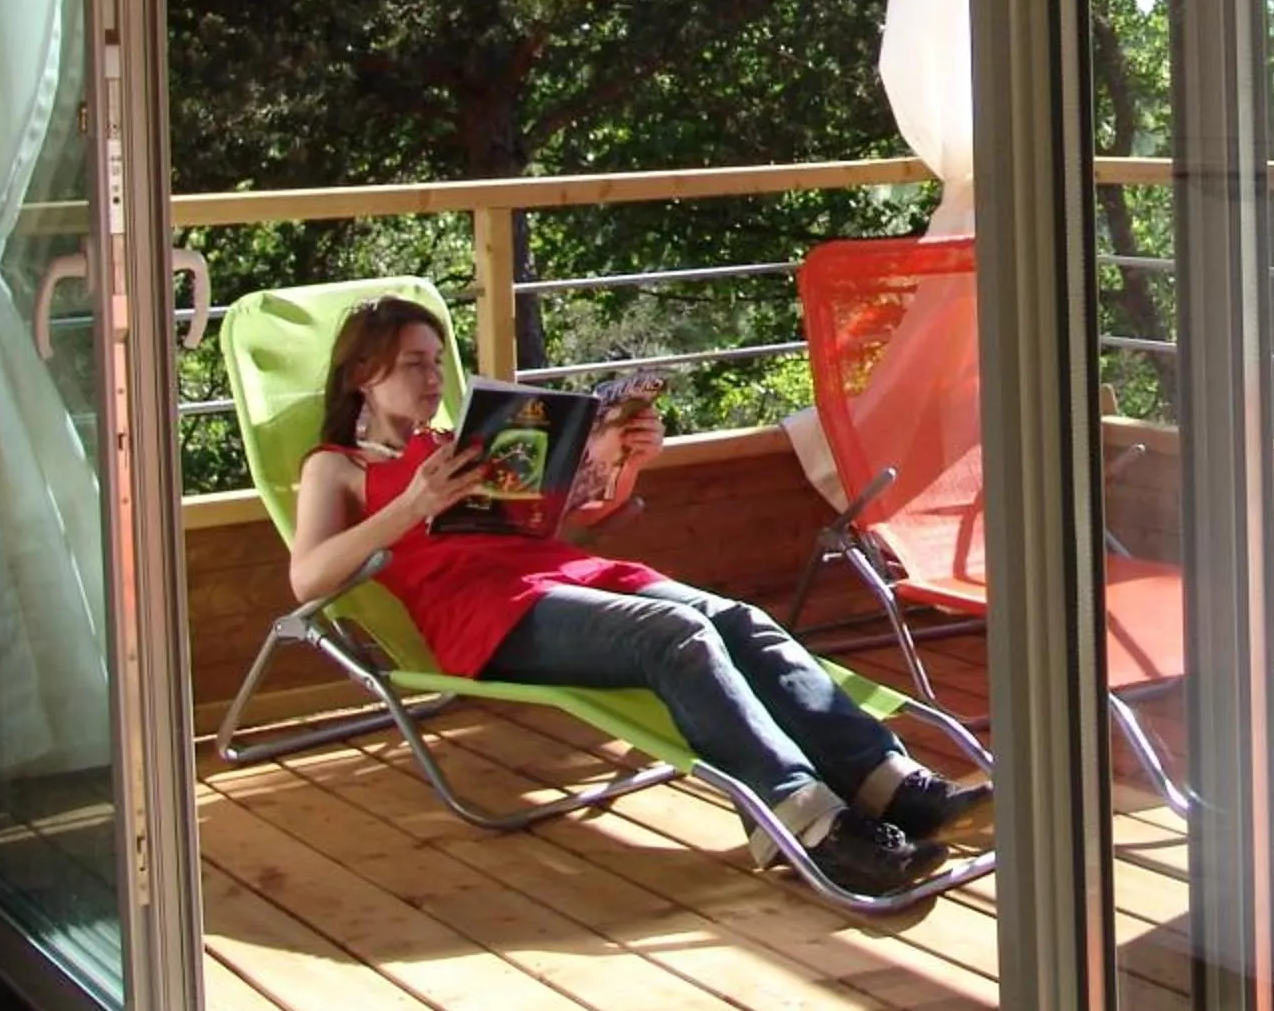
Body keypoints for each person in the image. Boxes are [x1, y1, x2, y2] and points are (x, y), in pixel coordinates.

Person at [289, 295, 988, 896]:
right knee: (676, 640)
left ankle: (886, 781)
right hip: (489, 618)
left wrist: (617, 463)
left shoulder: (463, 442)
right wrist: (412, 505)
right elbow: (308, 578)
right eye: (414, 362)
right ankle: (806, 824)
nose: (432, 376)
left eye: (437, 361)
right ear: (362, 375)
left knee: (738, 620)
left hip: (564, 576)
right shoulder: (338, 468)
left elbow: (569, 525)